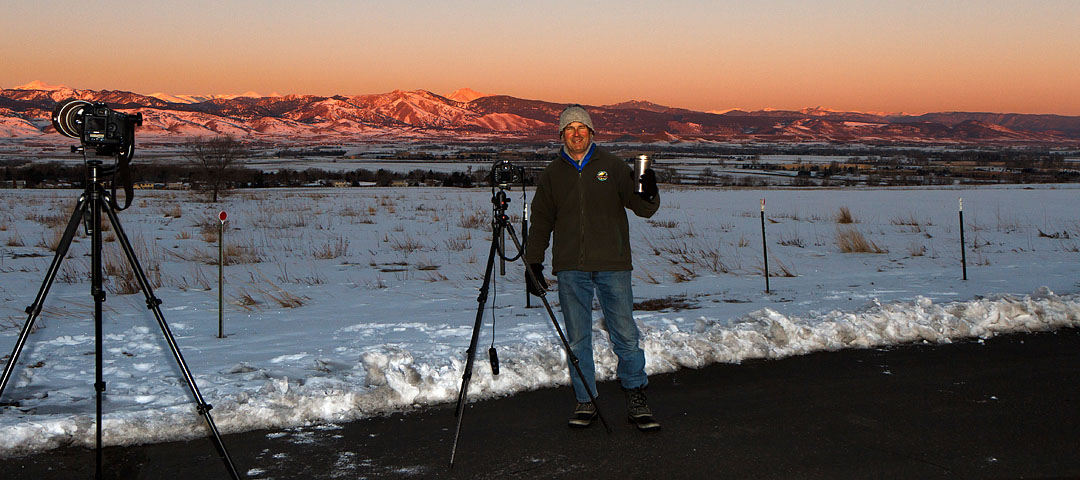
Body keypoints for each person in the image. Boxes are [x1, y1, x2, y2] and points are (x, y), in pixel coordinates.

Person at [525, 104, 661, 432]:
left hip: (613, 264)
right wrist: (533, 261)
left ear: (591, 132)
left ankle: (636, 395)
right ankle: (586, 399)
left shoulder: (611, 166)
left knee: (625, 335)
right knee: (577, 339)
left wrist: (650, 190)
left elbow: (643, 209)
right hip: (571, 267)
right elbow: (541, 220)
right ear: (561, 134)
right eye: (569, 128)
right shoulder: (552, 174)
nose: (576, 133)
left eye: (581, 128)